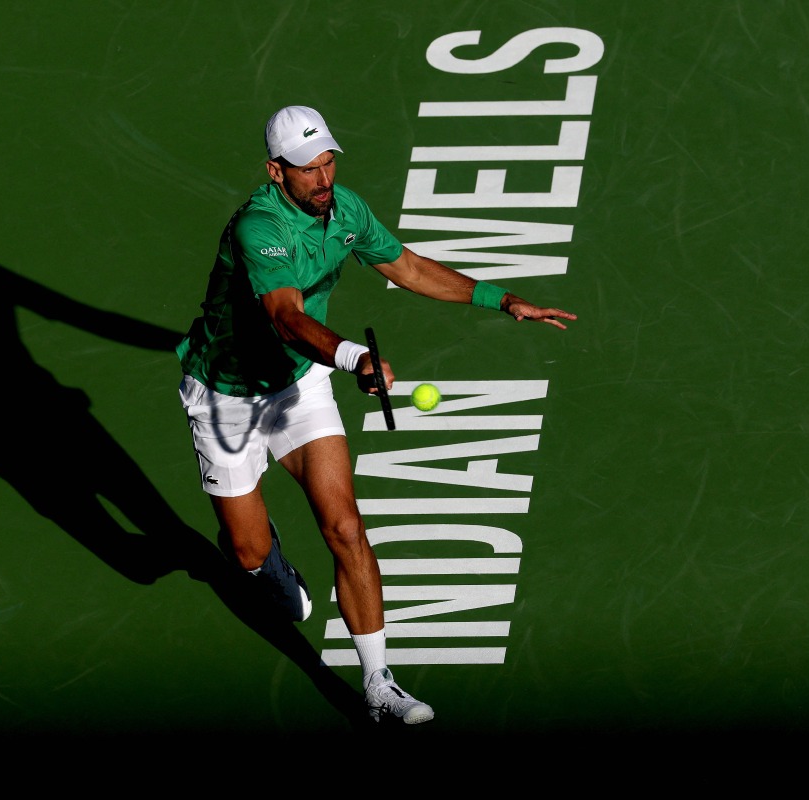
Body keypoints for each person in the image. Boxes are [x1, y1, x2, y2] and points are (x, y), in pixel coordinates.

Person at [175, 105, 577, 725]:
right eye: (307, 168)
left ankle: (378, 683)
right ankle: (268, 563)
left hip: (300, 387)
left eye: (328, 161)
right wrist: (356, 355)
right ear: (275, 172)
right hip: (227, 397)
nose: (323, 178)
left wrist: (505, 300)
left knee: (345, 527)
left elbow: (407, 267)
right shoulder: (260, 228)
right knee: (245, 550)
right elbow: (285, 316)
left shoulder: (347, 211)